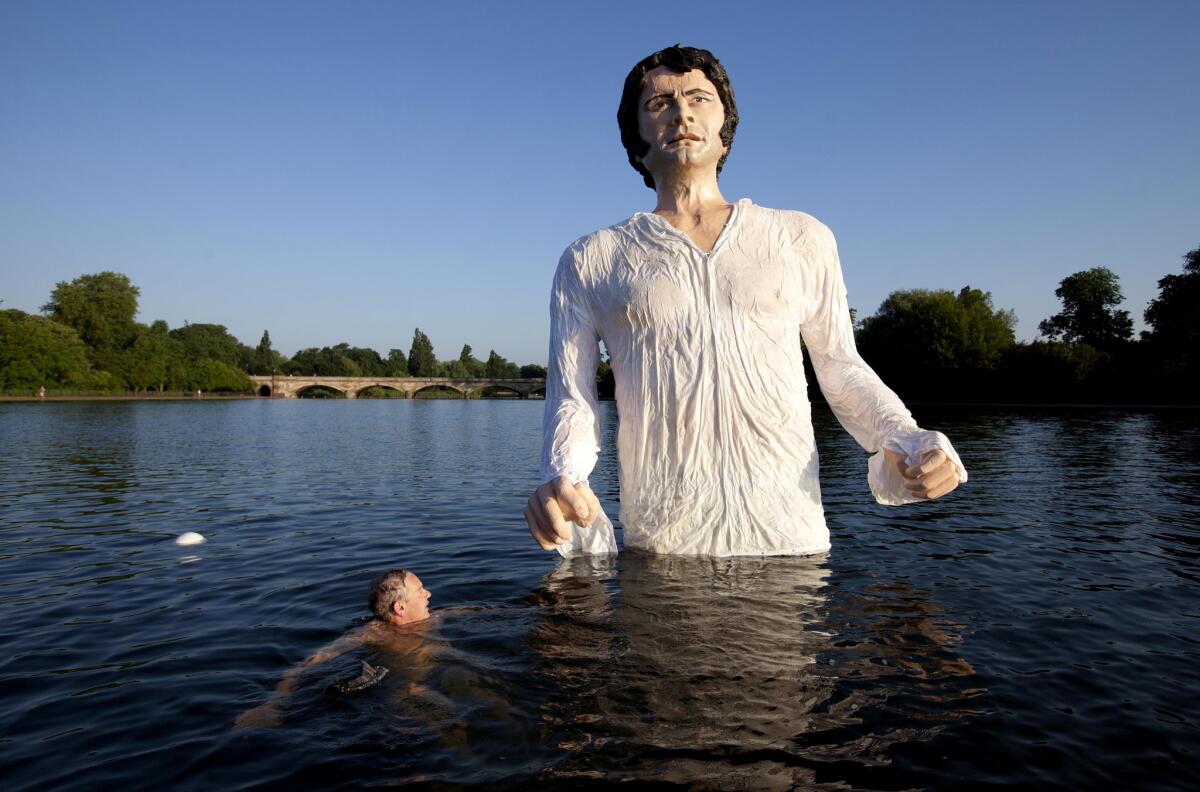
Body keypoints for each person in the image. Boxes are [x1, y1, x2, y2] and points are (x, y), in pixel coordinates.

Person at [525, 45, 967, 558]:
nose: (681, 112)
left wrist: (906, 437)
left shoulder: (799, 236)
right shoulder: (593, 258)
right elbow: (573, 397)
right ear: (636, 134)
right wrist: (562, 474)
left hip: (790, 539)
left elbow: (840, 367)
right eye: (659, 104)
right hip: (666, 545)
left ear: (725, 122)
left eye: (698, 98)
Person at [233, 568, 433, 728]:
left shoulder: (438, 618)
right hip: (393, 695)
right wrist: (274, 704)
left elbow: (461, 611)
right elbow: (308, 664)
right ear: (400, 607)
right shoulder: (372, 633)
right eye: (421, 590)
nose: (428, 594)